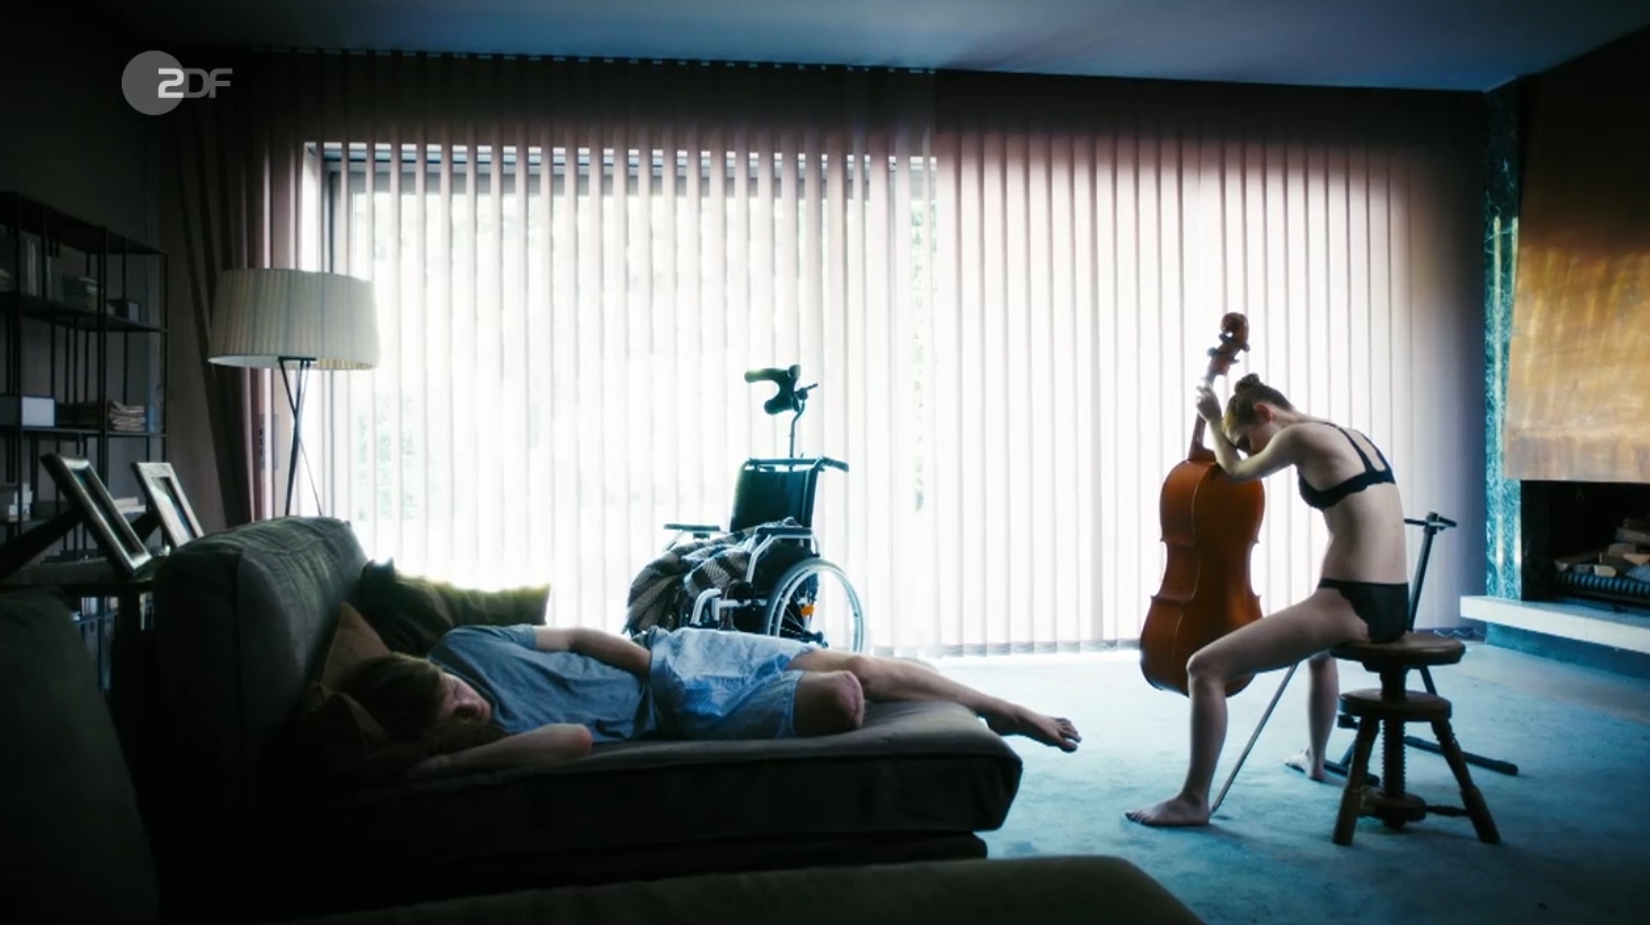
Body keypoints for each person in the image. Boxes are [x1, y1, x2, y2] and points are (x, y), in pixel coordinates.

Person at [1126, 372, 1410, 827]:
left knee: (1204, 667)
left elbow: (1237, 474)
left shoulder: (1298, 436)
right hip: (1393, 603)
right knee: (1318, 654)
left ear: (1264, 412)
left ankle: (1193, 800)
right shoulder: (1352, 436)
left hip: (1353, 601)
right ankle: (1315, 759)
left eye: (1246, 440)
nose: (1247, 450)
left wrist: (1213, 420)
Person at [341, 622, 1082, 780]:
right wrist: (448, 761)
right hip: (679, 718)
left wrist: (661, 663)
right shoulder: (475, 746)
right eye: (454, 716)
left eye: (458, 691)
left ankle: (1002, 707)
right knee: (845, 697)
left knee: (860, 661)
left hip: (674, 659)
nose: (470, 705)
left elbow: (575, 635)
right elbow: (574, 739)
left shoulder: (463, 643)